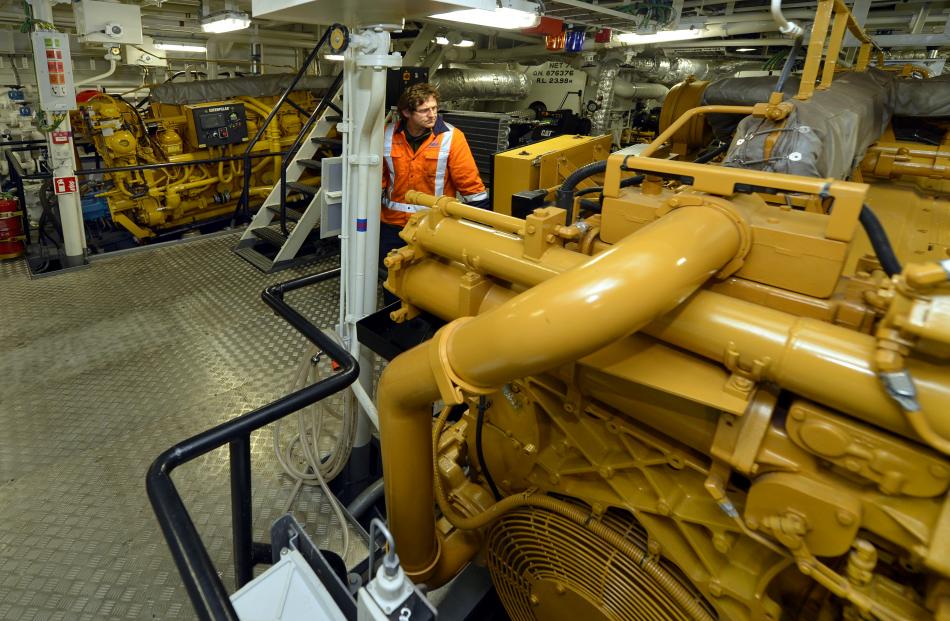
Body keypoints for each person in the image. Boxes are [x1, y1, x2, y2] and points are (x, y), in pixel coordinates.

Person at [379, 83, 488, 278]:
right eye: (424, 110)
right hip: (393, 226)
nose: (432, 115)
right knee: (394, 278)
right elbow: (378, 180)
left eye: (434, 108)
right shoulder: (386, 136)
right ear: (406, 112)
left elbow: (471, 186)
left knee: (432, 283)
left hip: (435, 226)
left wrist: (481, 229)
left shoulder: (452, 138)